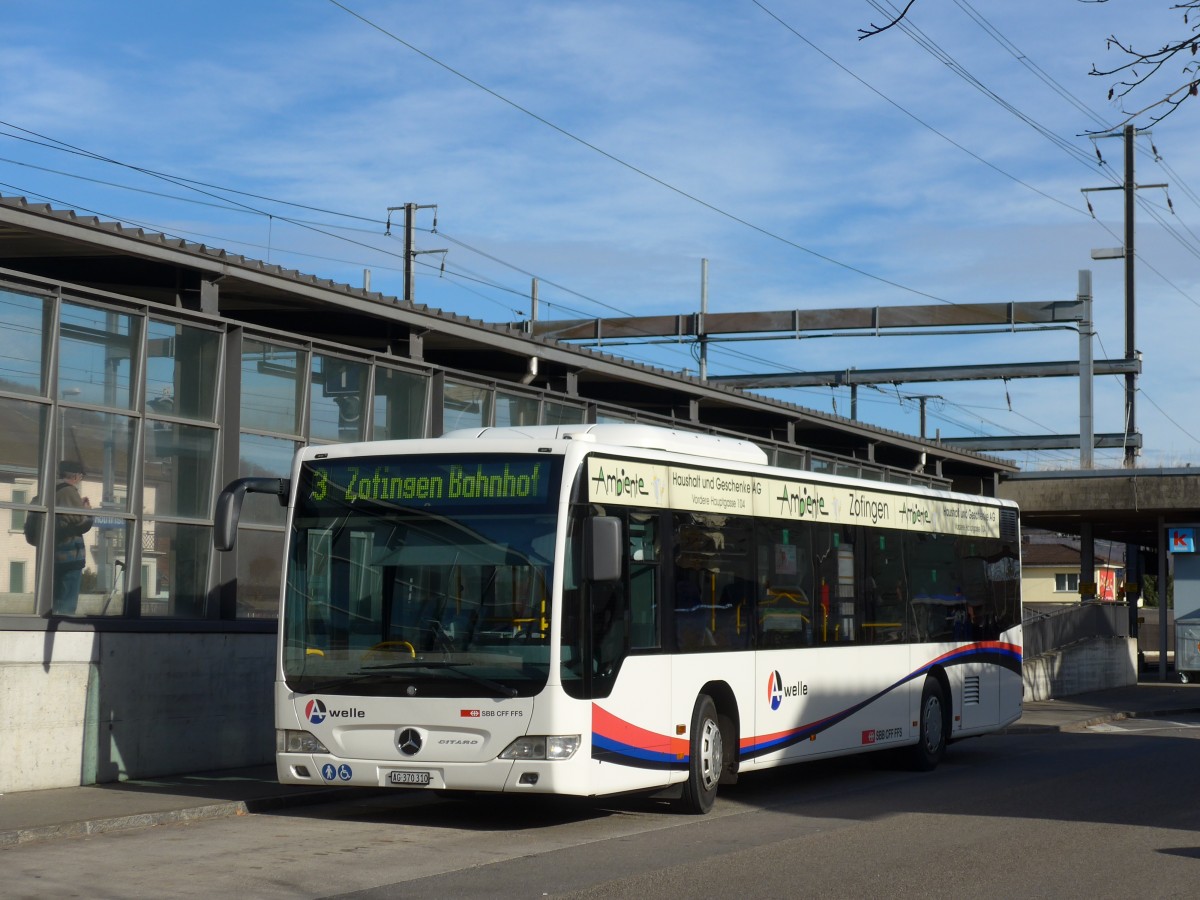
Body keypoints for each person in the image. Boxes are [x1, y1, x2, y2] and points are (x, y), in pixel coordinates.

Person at [52, 460, 94, 615]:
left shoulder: (52, 489)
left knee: (55, 602)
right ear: (76, 476)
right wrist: (88, 511)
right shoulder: (69, 491)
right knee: (67, 607)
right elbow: (81, 521)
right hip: (69, 556)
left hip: (54, 555)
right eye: (81, 476)